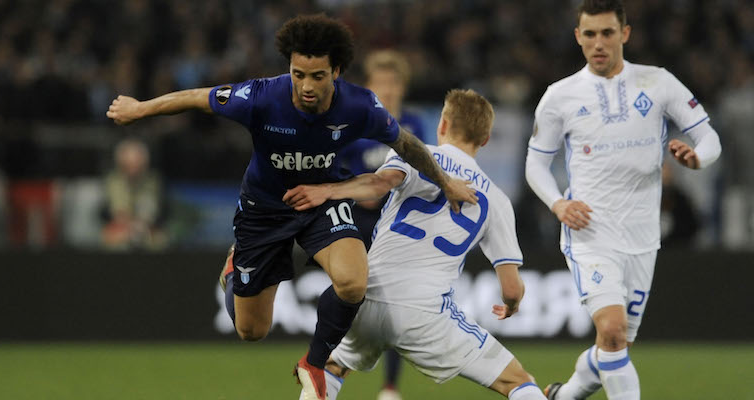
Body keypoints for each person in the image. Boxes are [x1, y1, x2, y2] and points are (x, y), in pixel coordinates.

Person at [106, 14, 476, 400]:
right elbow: (198, 97)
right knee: (252, 331)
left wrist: (445, 182)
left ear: (336, 71)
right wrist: (141, 108)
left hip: (321, 201)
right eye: (298, 74)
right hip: (264, 210)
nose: (306, 85)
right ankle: (235, 272)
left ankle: (314, 364)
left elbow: (407, 145)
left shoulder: (360, 106)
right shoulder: (263, 96)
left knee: (353, 282)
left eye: (317, 75)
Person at [284, 89, 547, 400]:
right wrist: (512, 306)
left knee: (330, 368)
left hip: (367, 296)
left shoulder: (415, 155)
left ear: (443, 125)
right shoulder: (497, 201)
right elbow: (512, 290)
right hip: (425, 312)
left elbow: (378, 185)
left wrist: (328, 191)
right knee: (516, 381)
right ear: (485, 139)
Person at [524, 1, 722, 399]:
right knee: (612, 331)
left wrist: (699, 158)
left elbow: (709, 136)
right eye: (590, 34)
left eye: (608, 33)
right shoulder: (559, 97)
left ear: (625, 34)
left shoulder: (658, 83)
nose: (599, 43)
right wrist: (558, 205)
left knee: (614, 345)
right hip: (590, 233)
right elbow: (536, 165)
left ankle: (562, 396)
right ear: (578, 37)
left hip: (642, 238)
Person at [336, 49, 426, 400]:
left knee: (393, 305)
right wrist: (358, 191)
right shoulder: (355, 127)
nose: (387, 89)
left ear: (402, 87)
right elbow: (335, 169)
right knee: (352, 299)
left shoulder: (415, 126)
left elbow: (424, 171)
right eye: (381, 82)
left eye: (393, 82)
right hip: (357, 221)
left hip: (397, 224)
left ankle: (389, 388)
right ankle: (331, 369)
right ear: (370, 87)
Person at [101, 138, 167, 250]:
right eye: (128, 165)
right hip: (119, 229)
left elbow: (161, 211)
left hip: (148, 229)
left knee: (160, 241)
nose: (133, 169)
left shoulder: (154, 181)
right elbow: (104, 211)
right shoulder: (112, 181)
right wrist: (123, 222)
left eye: (137, 164)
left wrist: (143, 224)